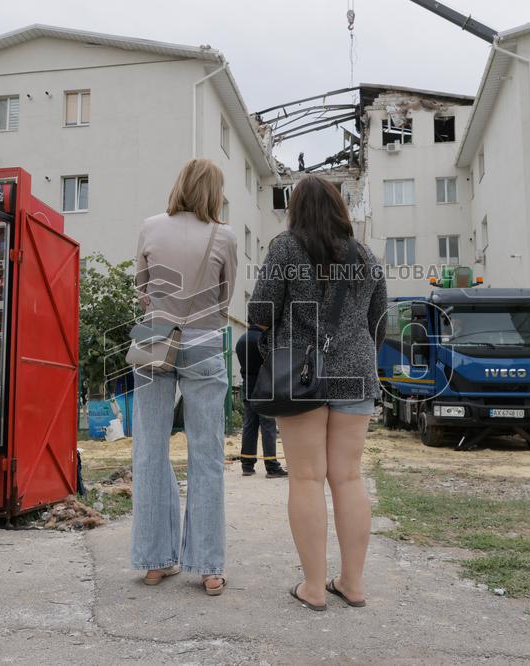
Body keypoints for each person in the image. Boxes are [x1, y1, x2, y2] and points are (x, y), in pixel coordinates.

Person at [249, 175, 388, 611]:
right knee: (348, 477)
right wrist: (356, 352)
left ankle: (313, 587)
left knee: (306, 476)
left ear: (296, 210)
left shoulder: (286, 249)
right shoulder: (365, 256)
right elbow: (380, 322)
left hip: (299, 373)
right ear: (339, 208)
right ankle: (353, 584)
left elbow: (259, 311)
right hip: (355, 371)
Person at [131, 158, 237, 596]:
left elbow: (141, 288)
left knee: (149, 449)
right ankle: (209, 567)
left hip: (154, 338)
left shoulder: (150, 227)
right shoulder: (224, 236)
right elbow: (225, 296)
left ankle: (155, 562)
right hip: (205, 341)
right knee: (206, 454)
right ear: (214, 192)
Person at [235, 325, 287, 478]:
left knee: (249, 425)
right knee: (268, 425)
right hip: (264, 387)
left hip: (248, 385)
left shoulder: (241, 340)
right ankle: (272, 466)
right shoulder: (263, 340)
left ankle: (247, 465)